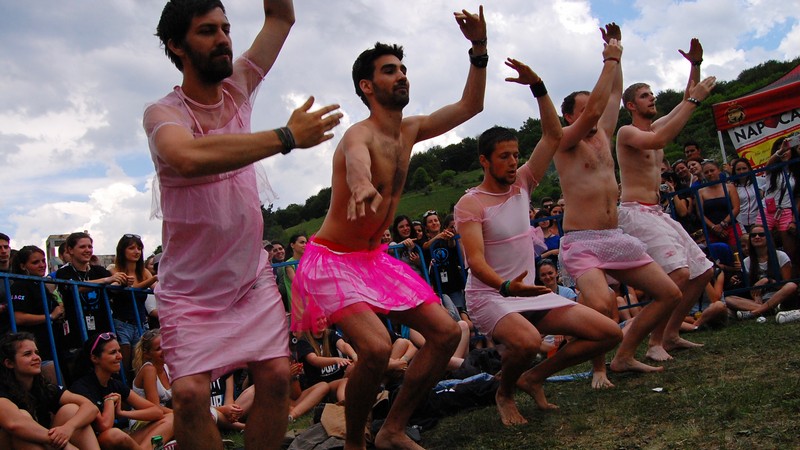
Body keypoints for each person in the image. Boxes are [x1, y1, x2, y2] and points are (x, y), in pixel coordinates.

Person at [144, 0, 342, 448]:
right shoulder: (162, 113)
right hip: (190, 291)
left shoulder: (238, 87)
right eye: (207, 31)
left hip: (250, 279)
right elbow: (186, 156)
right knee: (190, 396)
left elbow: (280, 17)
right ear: (176, 45)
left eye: (226, 28)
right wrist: (286, 137)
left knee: (276, 375)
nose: (223, 39)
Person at [291, 8, 486, 449]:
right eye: (389, 70)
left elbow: (471, 106)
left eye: (402, 69)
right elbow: (356, 160)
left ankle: (392, 429)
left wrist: (478, 49)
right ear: (367, 85)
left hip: (373, 260)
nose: (401, 76)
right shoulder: (358, 134)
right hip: (332, 261)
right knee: (377, 348)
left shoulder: (410, 130)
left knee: (445, 334)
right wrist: (361, 184)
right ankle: (355, 443)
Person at [455, 60, 621, 425]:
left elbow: (552, 135)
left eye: (516, 155)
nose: (513, 162)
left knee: (609, 333)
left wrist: (539, 87)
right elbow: (475, 262)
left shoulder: (523, 183)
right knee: (528, 342)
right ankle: (505, 392)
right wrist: (506, 286)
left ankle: (533, 377)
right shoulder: (471, 204)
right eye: (504, 156)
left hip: (530, 294)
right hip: (491, 296)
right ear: (484, 161)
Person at [554, 24, 683, 387]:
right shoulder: (563, 141)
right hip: (582, 240)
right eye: (584, 110)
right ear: (570, 117)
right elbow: (600, 103)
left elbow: (611, 96)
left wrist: (617, 52)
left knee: (669, 293)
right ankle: (598, 368)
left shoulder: (604, 134)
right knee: (600, 304)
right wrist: (608, 61)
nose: (593, 115)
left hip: (614, 235)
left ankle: (624, 355)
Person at [616, 38, 717, 360]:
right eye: (645, 95)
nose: (652, 98)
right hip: (635, 211)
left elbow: (686, 102)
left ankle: (670, 335)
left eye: (652, 94)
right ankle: (653, 342)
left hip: (656, 212)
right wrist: (696, 100)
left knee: (702, 271)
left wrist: (695, 66)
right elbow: (663, 136)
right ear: (631, 105)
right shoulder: (627, 133)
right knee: (678, 275)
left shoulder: (655, 127)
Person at [70, 332, 173, 449]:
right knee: (113, 434)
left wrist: (122, 413)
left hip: (120, 439)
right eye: (113, 352)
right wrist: (109, 401)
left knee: (171, 419)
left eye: (119, 351)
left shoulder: (115, 384)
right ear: (94, 358)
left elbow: (157, 411)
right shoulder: (82, 387)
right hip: (95, 444)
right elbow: (104, 426)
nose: (120, 356)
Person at [0, 332, 100, 450]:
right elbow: (14, 424)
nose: (36, 358)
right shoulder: (2, 390)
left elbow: (91, 407)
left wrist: (68, 428)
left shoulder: (44, 387)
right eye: (27, 354)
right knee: (23, 419)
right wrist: (64, 444)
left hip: (45, 442)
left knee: (71, 410)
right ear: (9, 363)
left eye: (36, 353)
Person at [55, 232, 129, 378]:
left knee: (110, 376)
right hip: (77, 334)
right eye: (82, 247)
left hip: (101, 330)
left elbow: (112, 289)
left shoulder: (99, 271)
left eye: (90, 246)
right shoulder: (63, 272)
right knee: (81, 375)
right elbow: (75, 287)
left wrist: (122, 282)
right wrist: (107, 280)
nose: (87, 250)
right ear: (70, 250)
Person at [10, 246, 66, 384]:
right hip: (39, 349)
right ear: (23, 266)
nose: (42, 265)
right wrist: (51, 316)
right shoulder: (20, 285)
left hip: (53, 345)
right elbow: (18, 317)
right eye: (35, 262)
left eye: (43, 261)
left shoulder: (40, 284)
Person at [110, 234, 158, 381]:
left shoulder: (144, 272)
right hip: (122, 323)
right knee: (123, 365)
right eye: (132, 248)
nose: (136, 251)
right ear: (122, 250)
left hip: (140, 323)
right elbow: (133, 288)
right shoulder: (114, 270)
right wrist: (153, 279)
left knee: (140, 364)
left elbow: (157, 289)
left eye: (139, 248)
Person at [723, 225, 798, 317]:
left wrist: (768, 281)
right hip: (759, 300)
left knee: (791, 286)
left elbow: (784, 284)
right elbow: (751, 287)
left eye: (761, 234)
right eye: (753, 235)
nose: (757, 237)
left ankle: (754, 312)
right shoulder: (746, 262)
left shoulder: (781, 256)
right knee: (728, 299)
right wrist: (755, 296)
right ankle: (768, 309)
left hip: (779, 296)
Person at [697, 160, 740, 248]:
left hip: (731, 227)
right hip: (712, 232)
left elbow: (736, 208)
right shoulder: (700, 192)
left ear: (719, 170)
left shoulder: (730, 187)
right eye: (706, 172)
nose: (709, 174)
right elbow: (700, 213)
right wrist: (713, 227)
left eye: (712, 170)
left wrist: (722, 224)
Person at [730, 157, 763, 232]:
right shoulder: (732, 187)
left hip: (758, 221)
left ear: (749, 169)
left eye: (744, 168)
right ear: (734, 171)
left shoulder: (758, 181)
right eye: (738, 169)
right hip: (741, 223)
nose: (741, 171)